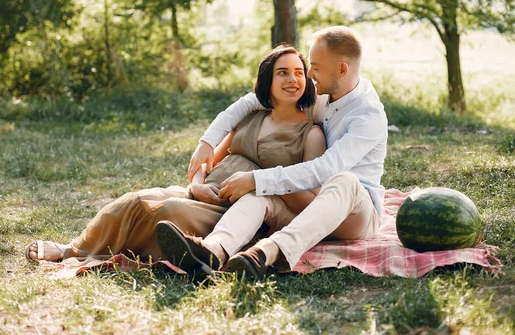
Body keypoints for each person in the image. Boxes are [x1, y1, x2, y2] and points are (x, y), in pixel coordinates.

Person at [25, 45, 326, 266]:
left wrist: (258, 182)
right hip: (201, 194)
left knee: (167, 210)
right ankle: (72, 250)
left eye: (299, 73)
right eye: (283, 72)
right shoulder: (250, 117)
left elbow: (313, 201)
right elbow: (211, 162)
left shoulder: (310, 134)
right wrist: (197, 185)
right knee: (135, 199)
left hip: (235, 213)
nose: (293, 80)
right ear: (267, 80)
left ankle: (137, 252)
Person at [157, 25, 387, 279]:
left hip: (355, 215)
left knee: (345, 180)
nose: (309, 74)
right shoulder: (324, 95)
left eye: (316, 67)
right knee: (261, 195)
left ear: (342, 69)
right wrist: (208, 142)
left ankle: (267, 252)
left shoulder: (367, 115)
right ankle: (212, 251)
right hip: (311, 208)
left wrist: (256, 178)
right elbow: (250, 102)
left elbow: (326, 169)